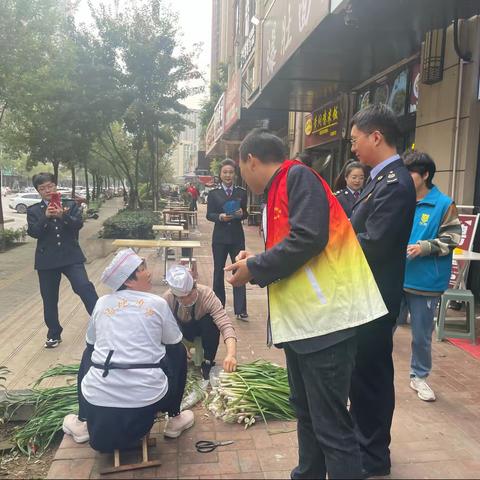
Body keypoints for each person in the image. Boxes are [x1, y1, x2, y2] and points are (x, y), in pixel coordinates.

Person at [225, 128, 387, 480]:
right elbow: (295, 248)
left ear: (250, 160)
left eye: (240, 168)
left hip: (326, 322)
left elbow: (309, 238)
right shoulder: (279, 189)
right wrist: (257, 260)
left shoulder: (297, 177)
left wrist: (254, 267)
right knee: (308, 414)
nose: (241, 176)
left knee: (332, 428)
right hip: (305, 324)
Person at [63, 249, 194, 452]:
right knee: (177, 350)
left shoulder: (101, 303)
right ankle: (174, 417)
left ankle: (83, 422)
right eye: (143, 269)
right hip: (148, 401)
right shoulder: (157, 303)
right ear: (128, 280)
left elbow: (91, 343)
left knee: (90, 351)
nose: (149, 273)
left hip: (98, 403)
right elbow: (173, 342)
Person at [348, 104, 416, 477]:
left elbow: (373, 242)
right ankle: (364, 439)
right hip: (365, 294)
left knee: (371, 374)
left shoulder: (396, 183)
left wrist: (336, 238)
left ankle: (374, 454)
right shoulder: (379, 178)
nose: (354, 148)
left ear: (376, 137)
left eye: (356, 139)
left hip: (376, 297)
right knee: (362, 371)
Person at [399, 151, 461, 402]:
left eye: (410, 172)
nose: (404, 177)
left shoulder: (444, 204)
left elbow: (453, 238)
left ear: (425, 175)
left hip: (425, 282)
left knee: (422, 335)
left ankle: (419, 376)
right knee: (380, 329)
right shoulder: (400, 199)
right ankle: (366, 374)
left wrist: (425, 247)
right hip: (395, 276)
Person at [27, 173, 98, 348]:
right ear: (38, 191)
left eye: (50, 186)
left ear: (55, 186)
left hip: (71, 256)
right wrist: (46, 216)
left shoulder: (70, 205)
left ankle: (103, 324)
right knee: (49, 298)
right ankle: (54, 333)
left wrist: (62, 216)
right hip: (47, 260)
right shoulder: (34, 210)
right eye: (42, 188)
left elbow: (78, 225)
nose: (47, 191)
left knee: (84, 287)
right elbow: (34, 233)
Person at [163, 264, 237, 380]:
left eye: (189, 295)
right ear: (174, 295)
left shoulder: (207, 295)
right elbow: (162, 329)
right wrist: (178, 343)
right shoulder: (168, 299)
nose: (186, 300)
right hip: (180, 331)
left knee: (211, 323)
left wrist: (231, 354)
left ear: (195, 286)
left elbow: (225, 325)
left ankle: (207, 361)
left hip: (202, 330)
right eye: (181, 298)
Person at [207, 158, 249, 320]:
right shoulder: (213, 193)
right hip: (219, 238)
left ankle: (241, 309)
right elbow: (209, 214)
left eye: (231, 172)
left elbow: (245, 212)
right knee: (218, 271)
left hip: (237, 238)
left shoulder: (241, 192)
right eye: (225, 172)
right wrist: (220, 216)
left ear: (235, 174)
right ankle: (218, 306)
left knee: (240, 271)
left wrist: (241, 214)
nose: (228, 175)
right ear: (220, 174)